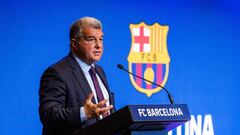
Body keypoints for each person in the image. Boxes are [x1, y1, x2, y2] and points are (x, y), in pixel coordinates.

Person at [39, 17, 114, 135]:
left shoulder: (99, 71)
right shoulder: (57, 72)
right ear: (74, 44)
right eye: (91, 39)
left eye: (100, 39)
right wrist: (84, 113)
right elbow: (49, 115)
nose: (98, 45)